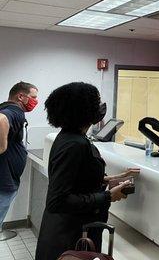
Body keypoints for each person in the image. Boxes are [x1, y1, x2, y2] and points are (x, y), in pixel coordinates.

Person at [35, 82, 139, 260]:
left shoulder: (69, 137)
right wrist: (108, 196)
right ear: (83, 109)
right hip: (71, 237)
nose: (100, 107)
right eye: (96, 102)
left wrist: (108, 179)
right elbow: (57, 200)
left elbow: (76, 178)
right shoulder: (75, 144)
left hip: (66, 231)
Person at [0, 81, 38, 241]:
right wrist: (1, 147)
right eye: (33, 97)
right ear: (20, 96)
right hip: (4, 179)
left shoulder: (6, 107)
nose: (35, 101)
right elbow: (2, 119)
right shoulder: (13, 111)